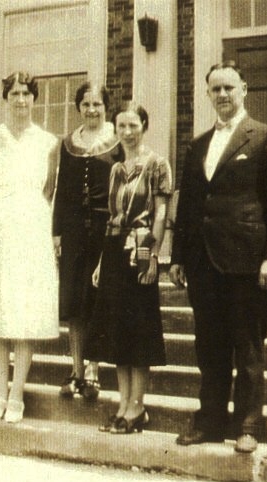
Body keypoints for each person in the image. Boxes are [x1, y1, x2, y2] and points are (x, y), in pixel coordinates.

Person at [169, 60, 267, 453]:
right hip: (204, 263)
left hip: (246, 262)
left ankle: (250, 425)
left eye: (229, 88)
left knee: (248, 346)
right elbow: (188, 205)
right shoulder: (198, 145)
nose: (222, 95)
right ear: (207, 94)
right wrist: (177, 258)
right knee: (209, 346)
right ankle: (210, 421)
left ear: (244, 89)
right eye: (215, 89)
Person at [0, 71, 60, 424]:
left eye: (27, 94)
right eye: (15, 94)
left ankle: (17, 395)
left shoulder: (48, 142)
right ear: (5, 98)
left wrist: (33, 221)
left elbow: (48, 189)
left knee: (24, 312)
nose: (21, 100)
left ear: (35, 99)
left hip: (32, 228)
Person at [85, 101, 170, 434]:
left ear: (144, 126)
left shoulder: (157, 164)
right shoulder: (115, 168)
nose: (128, 132)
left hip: (140, 252)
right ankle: (122, 404)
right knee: (118, 332)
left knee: (139, 332)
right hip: (114, 253)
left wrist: (153, 255)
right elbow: (110, 219)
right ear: (115, 129)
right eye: (122, 126)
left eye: (133, 125)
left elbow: (161, 213)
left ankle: (137, 407)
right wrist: (101, 263)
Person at [53, 82, 120, 401]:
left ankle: (94, 371)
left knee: (96, 300)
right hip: (74, 233)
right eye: (85, 104)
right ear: (78, 108)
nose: (91, 110)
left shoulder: (117, 140)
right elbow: (61, 192)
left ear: (106, 107)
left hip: (106, 231)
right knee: (74, 303)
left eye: (97, 104)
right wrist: (56, 233)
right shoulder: (67, 144)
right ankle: (76, 370)